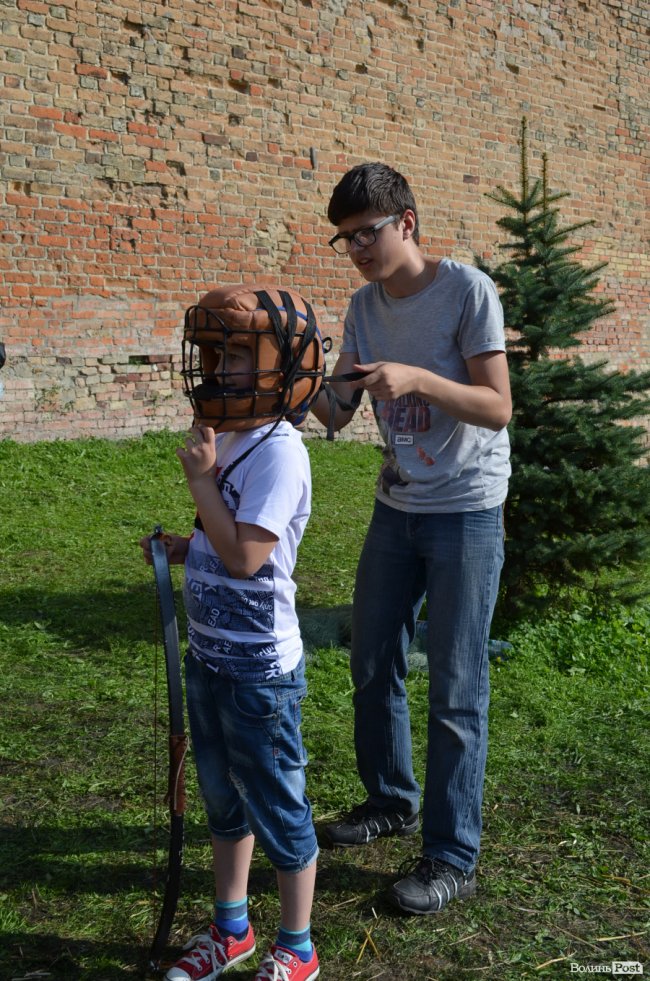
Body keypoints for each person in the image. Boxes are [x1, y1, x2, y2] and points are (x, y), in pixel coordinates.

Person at [310, 162, 511, 915]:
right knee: (371, 657)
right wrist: (297, 385)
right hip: (396, 506)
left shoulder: (466, 291)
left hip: (465, 508)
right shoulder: (363, 306)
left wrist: (418, 380)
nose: (357, 248)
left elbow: (497, 406)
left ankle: (452, 852)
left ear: (408, 223)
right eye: (346, 238)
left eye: (368, 232)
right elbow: (335, 410)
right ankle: (390, 798)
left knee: (457, 685)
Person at [141, 284, 324, 981]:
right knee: (222, 797)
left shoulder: (280, 451)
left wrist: (201, 485)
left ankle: (298, 947)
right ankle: (232, 930)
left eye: (238, 354)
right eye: (214, 351)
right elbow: (223, 539)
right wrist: (189, 545)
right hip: (210, 659)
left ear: (285, 364)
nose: (219, 367)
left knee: (277, 804)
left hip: (259, 676)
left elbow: (249, 557)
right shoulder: (234, 434)